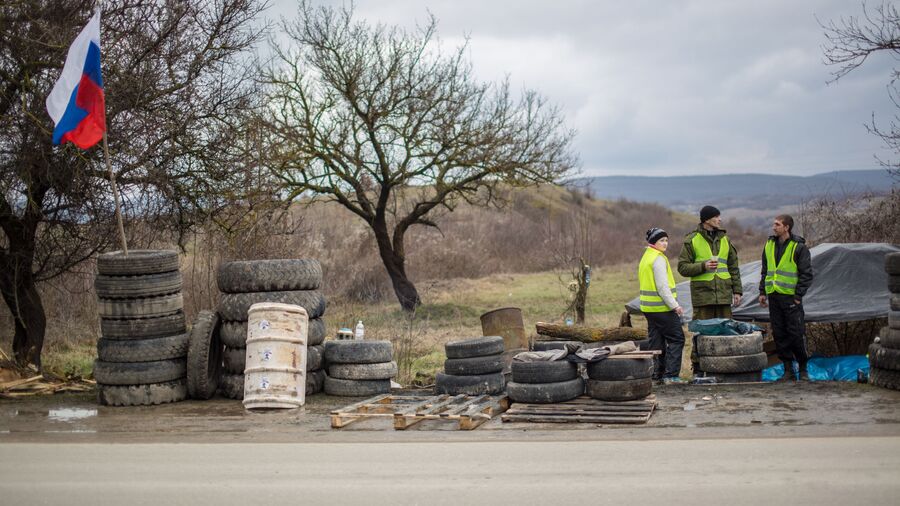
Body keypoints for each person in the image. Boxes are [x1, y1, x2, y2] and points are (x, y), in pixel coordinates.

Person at [677, 205, 743, 376]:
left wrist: (737, 291)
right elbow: (682, 268)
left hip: (723, 295)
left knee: (727, 332)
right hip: (702, 296)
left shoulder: (725, 240)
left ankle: (727, 367)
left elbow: (733, 268)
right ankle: (698, 369)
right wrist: (702, 266)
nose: (720, 220)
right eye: (716, 217)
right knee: (701, 333)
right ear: (707, 220)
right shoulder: (691, 240)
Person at [758, 214, 813, 381]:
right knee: (780, 334)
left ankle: (803, 370)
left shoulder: (799, 247)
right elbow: (765, 270)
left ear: (786, 227)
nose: (774, 227)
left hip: (790, 299)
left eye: (777, 224)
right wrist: (762, 292)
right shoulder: (769, 244)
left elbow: (806, 274)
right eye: (774, 224)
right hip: (774, 297)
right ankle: (788, 370)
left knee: (796, 334)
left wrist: (798, 296)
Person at [639, 228, 685, 384]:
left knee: (656, 342)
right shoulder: (658, 259)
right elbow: (662, 288)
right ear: (653, 242)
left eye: (666, 240)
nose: (665, 243)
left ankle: (656, 375)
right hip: (662, 308)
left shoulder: (646, 256)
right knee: (677, 339)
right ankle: (671, 376)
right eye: (661, 240)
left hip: (648, 309)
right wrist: (675, 306)